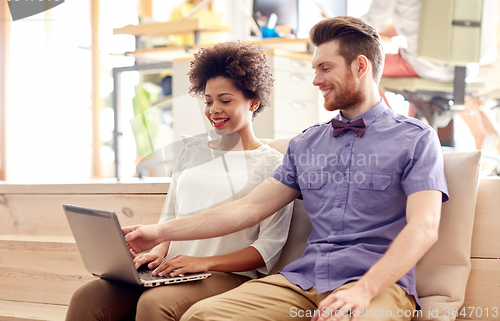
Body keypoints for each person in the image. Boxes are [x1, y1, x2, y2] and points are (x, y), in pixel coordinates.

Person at [124, 16, 449, 321]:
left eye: (325, 68)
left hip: (377, 284)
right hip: (302, 280)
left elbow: (424, 227)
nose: (315, 80)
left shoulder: (416, 139)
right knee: (202, 316)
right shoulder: (305, 145)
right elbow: (246, 209)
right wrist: (159, 232)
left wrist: (364, 290)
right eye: (314, 69)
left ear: (360, 66)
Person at [65, 41, 293, 321]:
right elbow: (170, 219)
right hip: (172, 270)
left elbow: (266, 249)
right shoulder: (192, 151)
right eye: (208, 101)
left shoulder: (274, 163)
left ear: (253, 102)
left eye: (225, 100)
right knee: (88, 298)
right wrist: (158, 252)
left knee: (154, 303)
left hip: (226, 274)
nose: (213, 110)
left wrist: (201, 262)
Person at [361, 0, 458, 82]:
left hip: (423, 65)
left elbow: (371, 24)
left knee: (362, 66)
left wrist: (346, 26)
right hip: (462, 70)